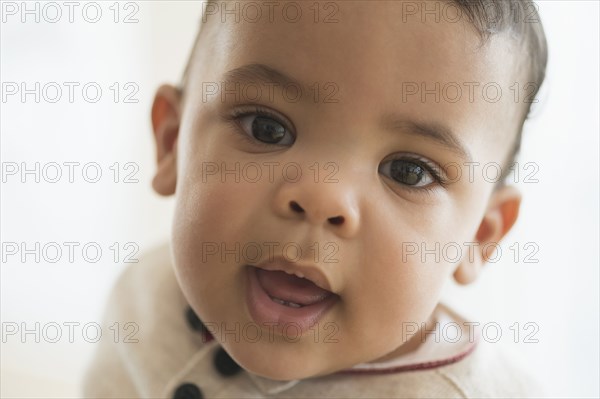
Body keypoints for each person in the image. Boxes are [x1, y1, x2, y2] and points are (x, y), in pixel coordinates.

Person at [82, 1, 548, 397]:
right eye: (267, 128)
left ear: (478, 237)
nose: (323, 198)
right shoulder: (142, 299)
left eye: (408, 172)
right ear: (171, 141)